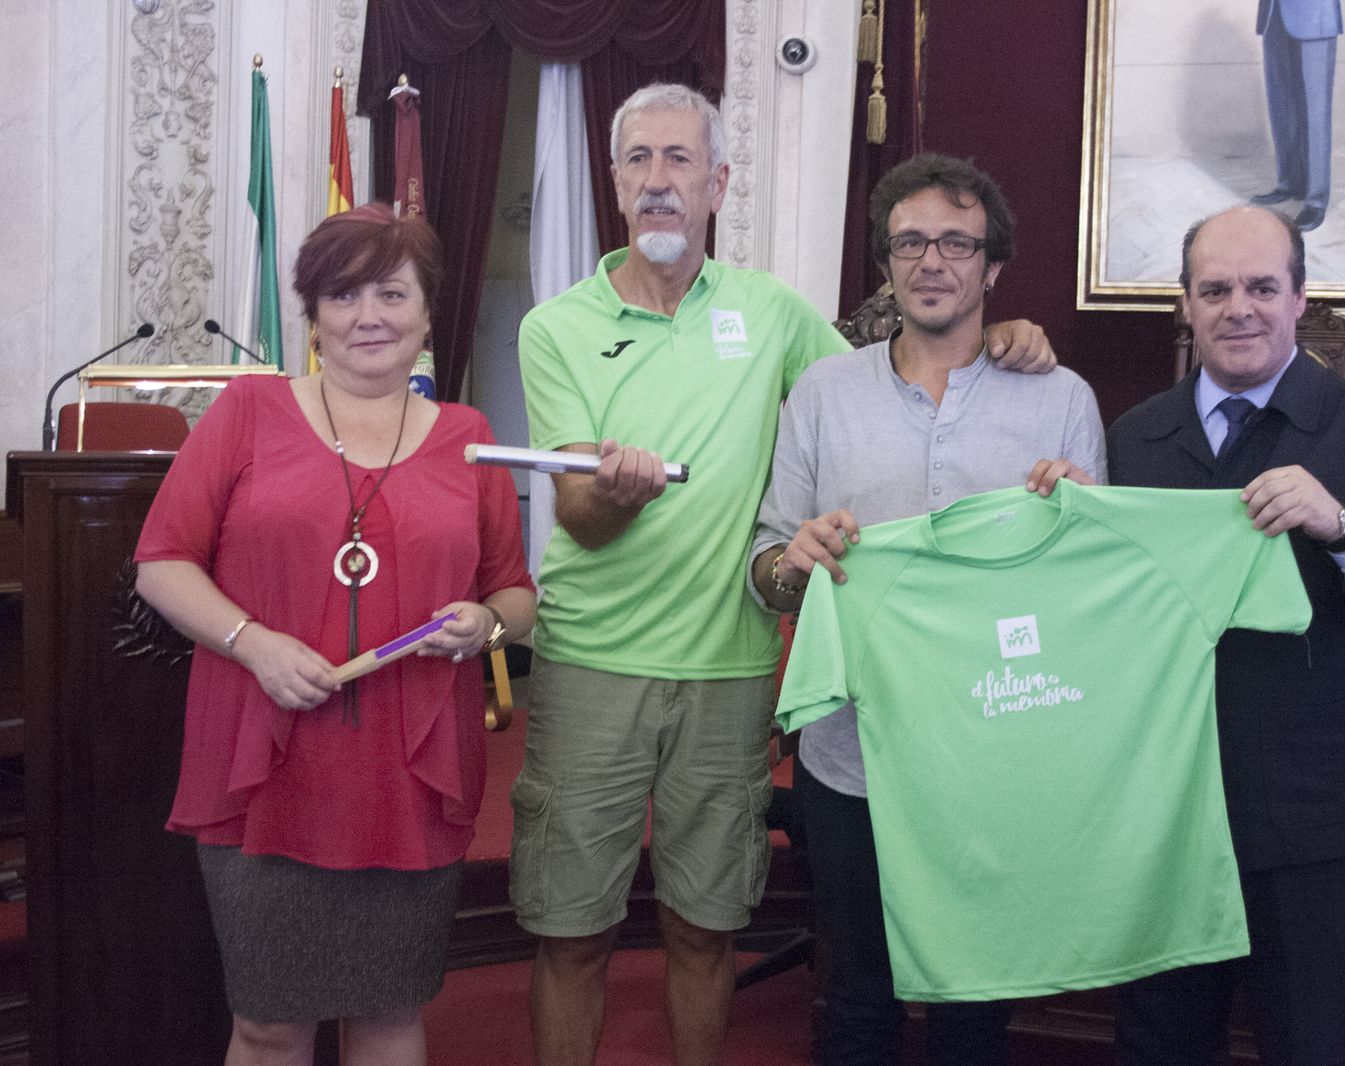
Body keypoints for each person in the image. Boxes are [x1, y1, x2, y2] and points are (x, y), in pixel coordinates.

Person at [513, 84, 1057, 1066]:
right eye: (638, 159)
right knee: (571, 932)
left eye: (680, 159)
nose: (658, 181)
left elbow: (884, 383)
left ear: (718, 183)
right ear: (615, 180)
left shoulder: (770, 314)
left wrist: (1001, 341)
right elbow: (582, 520)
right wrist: (618, 492)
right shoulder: (553, 326)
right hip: (591, 665)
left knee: (706, 927)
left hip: (732, 669)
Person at [135, 203, 537, 1066]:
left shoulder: (470, 439)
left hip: (408, 775)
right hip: (265, 764)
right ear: (313, 315)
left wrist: (485, 626)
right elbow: (161, 564)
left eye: (393, 293)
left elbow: (515, 594)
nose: (369, 316)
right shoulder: (248, 410)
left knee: (388, 1014)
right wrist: (254, 642)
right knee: (268, 1025)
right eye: (344, 295)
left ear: (427, 313)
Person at [747, 153, 1105, 1066]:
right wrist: (792, 562)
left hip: (1000, 755)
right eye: (910, 243)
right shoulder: (823, 394)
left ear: (993, 267)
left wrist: (1082, 521)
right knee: (855, 999)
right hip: (851, 756)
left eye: (956, 243)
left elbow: (1092, 593)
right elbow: (766, 568)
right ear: (886, 263)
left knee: (975, 1006)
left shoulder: (1061, 400)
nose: (931, 261)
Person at [1108, 205, 1345, 1064]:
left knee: (1310, 1045)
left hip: (1314, 823)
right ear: (1185, 305)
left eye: (1262, 287)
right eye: (1215, 290)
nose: (1239, 308)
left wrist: (1344, 526)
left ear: (1300, 298)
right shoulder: (1134, 438)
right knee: (1159, 1044)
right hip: (1166, 815)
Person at [1250, 0, 1342, 231]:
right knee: (1281, 108)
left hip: (1315, 17)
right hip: (1273, 15)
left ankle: (1316, 200)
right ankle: (1289, 183)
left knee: (1316, 114)